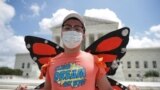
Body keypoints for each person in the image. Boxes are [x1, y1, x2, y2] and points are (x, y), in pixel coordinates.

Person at [16, 13, 139, 90]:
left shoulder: (95, 61)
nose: (72, 31)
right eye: (67, 28)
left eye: (77, 28)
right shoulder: (51, 63)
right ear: (62, 32)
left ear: (84, 34)